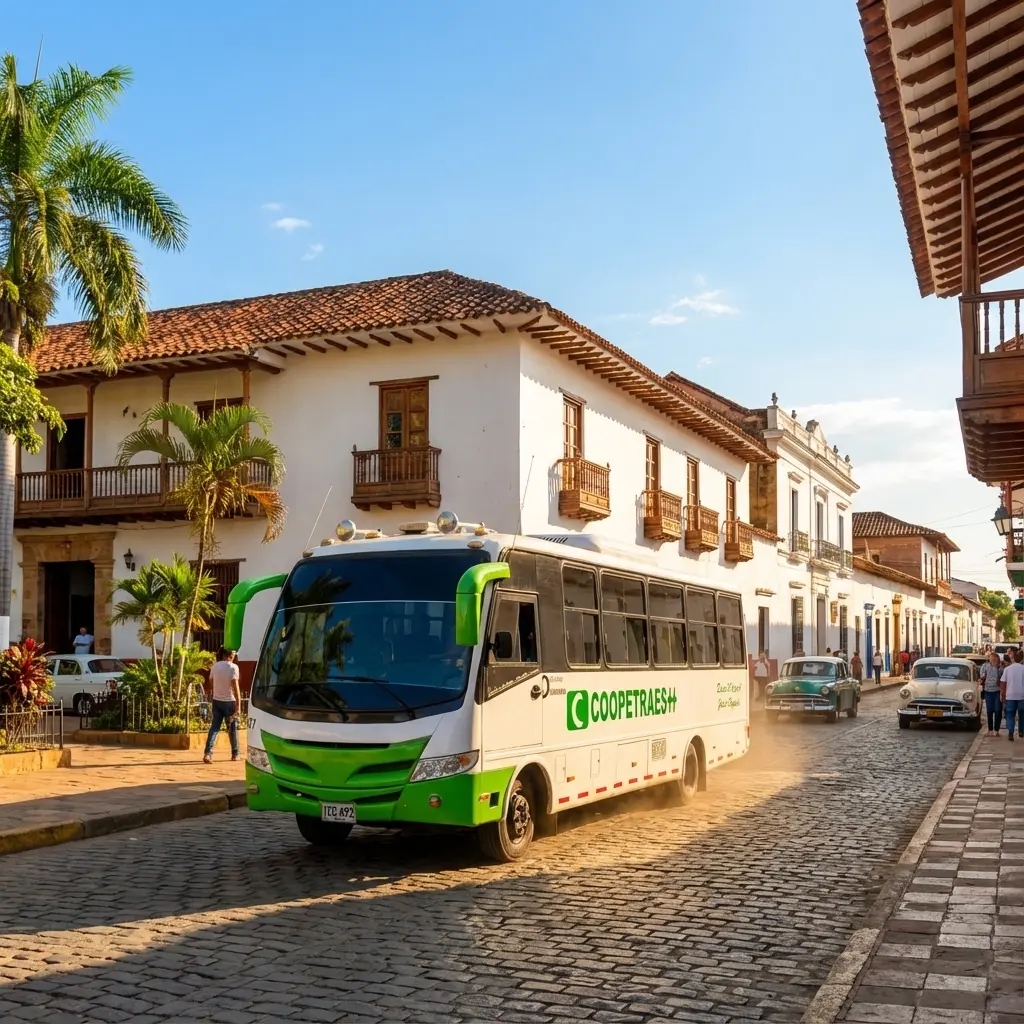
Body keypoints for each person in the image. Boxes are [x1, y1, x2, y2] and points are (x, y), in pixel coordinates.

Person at [204, 648, 241, 763]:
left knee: (214, 727)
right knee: (232, 728)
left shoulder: (215, 666)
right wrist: (238, 706)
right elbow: (236, 687)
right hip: (229, 702)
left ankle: (208, 754)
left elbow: (211, 681)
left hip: (217, 700)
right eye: (234, 653)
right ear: (230, 654)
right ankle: (235, 754)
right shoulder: (233, 667)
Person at [1002, 647, 1024, 742]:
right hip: (1022, 695)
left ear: (1013, 658)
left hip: (1010, 695)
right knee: (1022, 714)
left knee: (1010, 714)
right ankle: (1021, 731)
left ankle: (1011, 732)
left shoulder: (1007, 669)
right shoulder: (1023, 669)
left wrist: (1003, 695)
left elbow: (1003, 682)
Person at [980, 651, 1004, 736]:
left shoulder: (1001, 668)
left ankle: (996, 730)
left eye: (995, 658)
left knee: (998, 711)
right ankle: (990, 730)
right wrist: (982, 679)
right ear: (989, 659)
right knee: (989, 711)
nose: (993, 660)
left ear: (997, 659)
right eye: (992, 658)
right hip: (988, 691)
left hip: (997, 691)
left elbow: (1003, 679)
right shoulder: (984, 666)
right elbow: (981, 676)